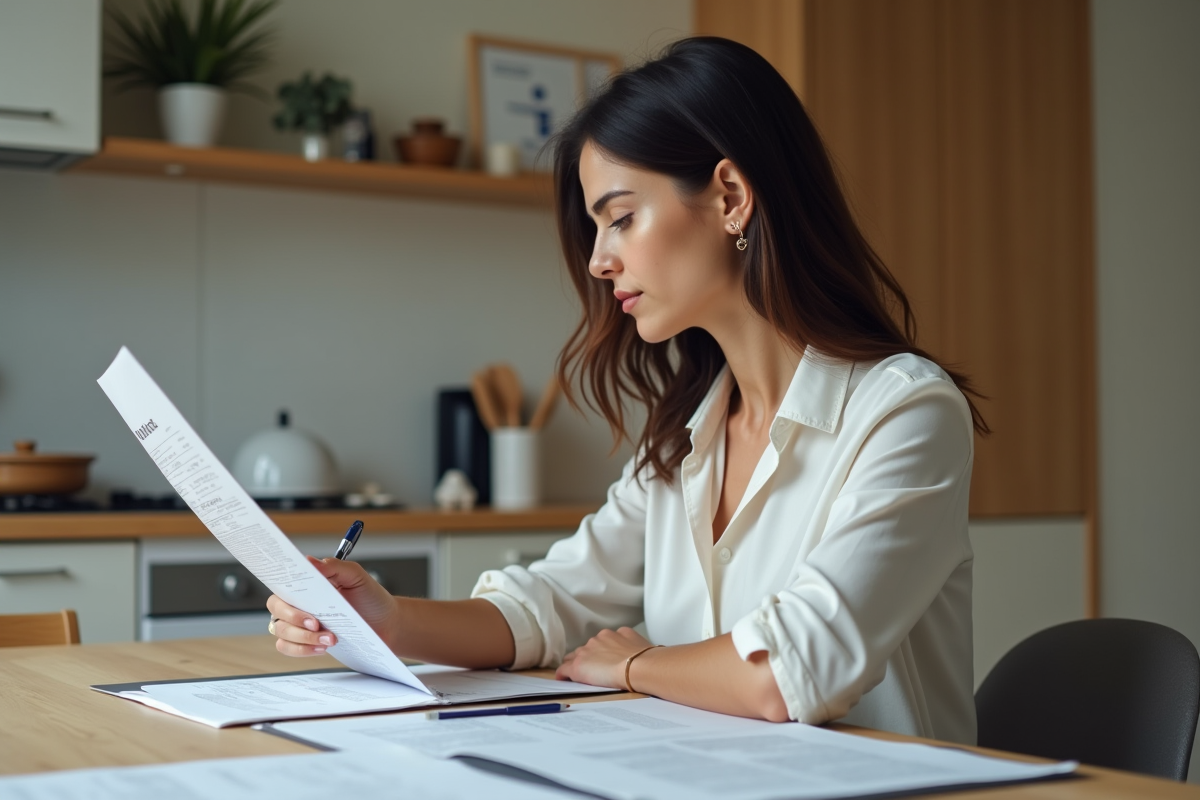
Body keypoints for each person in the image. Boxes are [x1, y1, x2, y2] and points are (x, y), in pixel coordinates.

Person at [266, 36, 987, 744]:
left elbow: (791, 673)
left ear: (731, 197)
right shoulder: (685, 437)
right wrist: (384, 620)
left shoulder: (904, 412)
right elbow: (551, 603)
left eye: (621, 219)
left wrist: (636, 664)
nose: (598, 261)